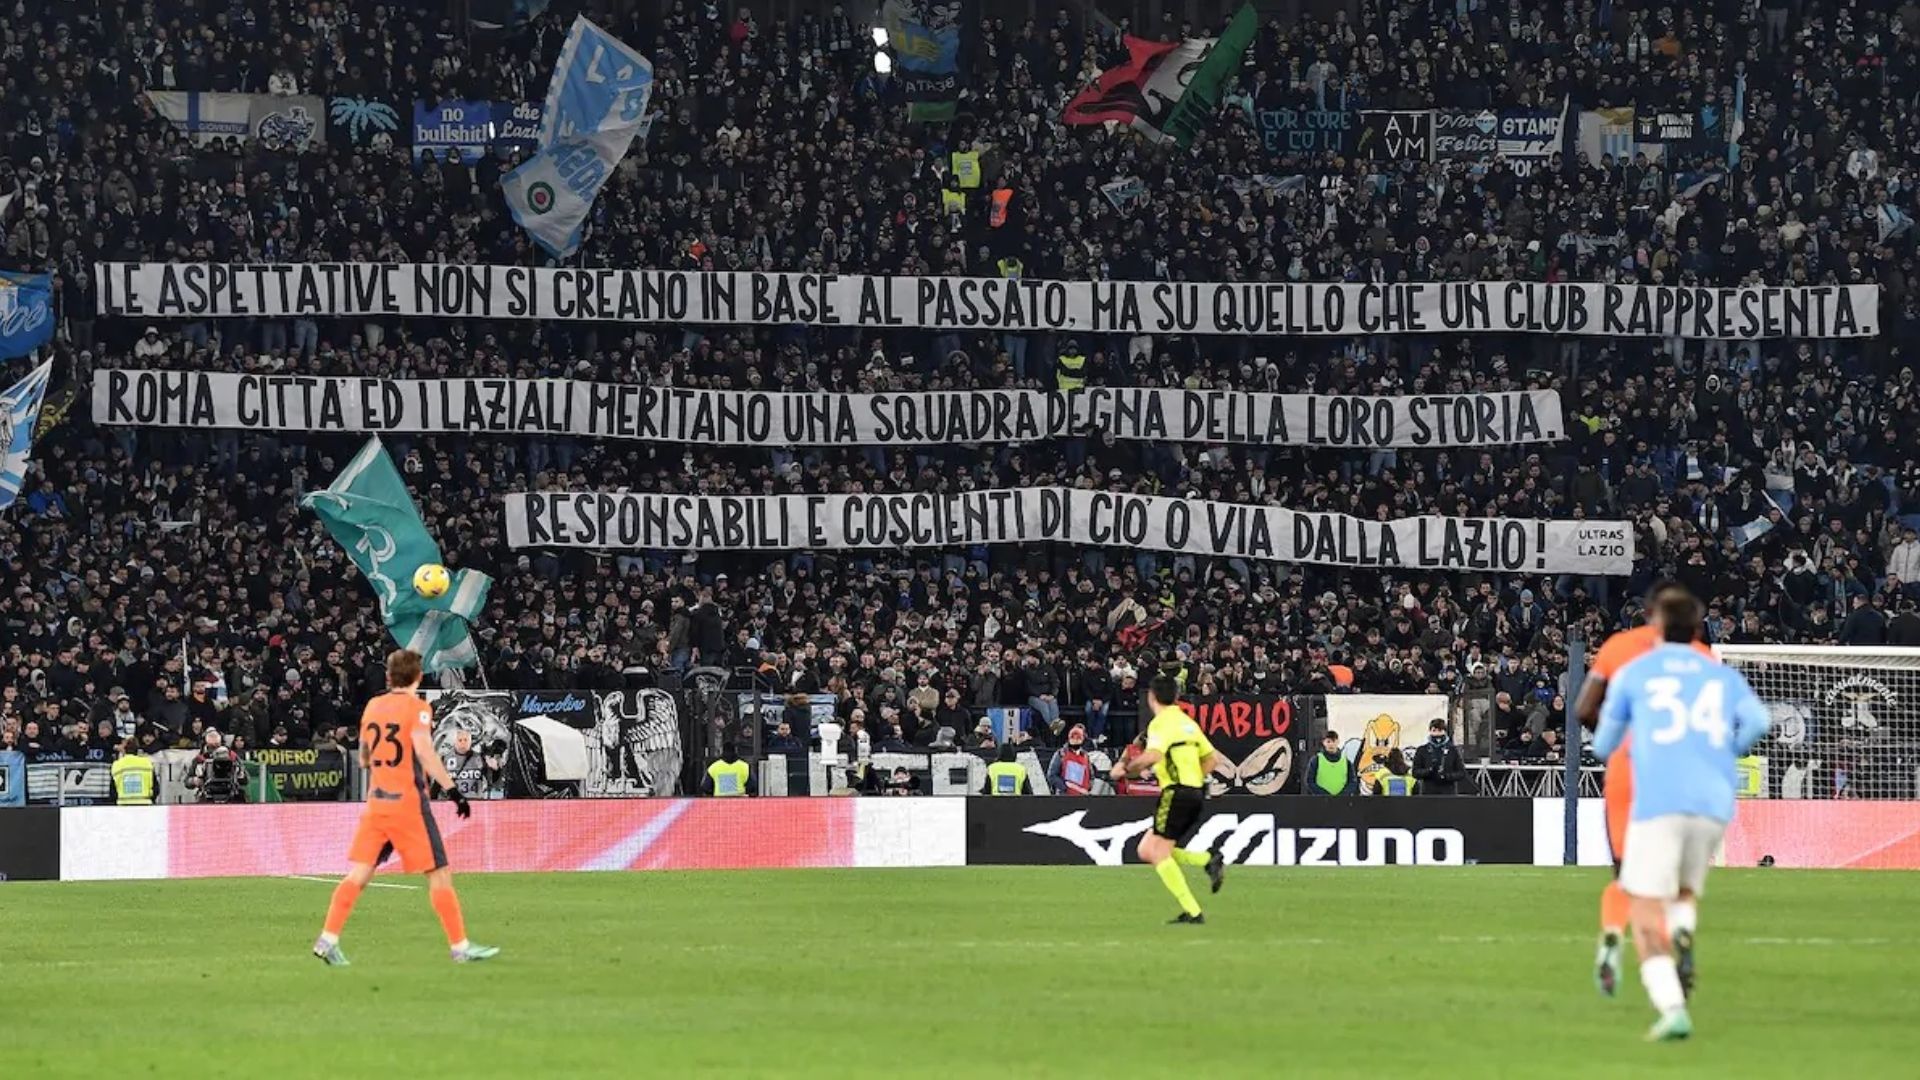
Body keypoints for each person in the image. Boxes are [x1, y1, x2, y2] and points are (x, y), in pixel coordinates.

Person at [1593, 590, 1770, 1042]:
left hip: (1656, 799)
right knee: (1684, 889)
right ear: (1696, 628)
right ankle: (1685, 930)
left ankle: (1672, 1008)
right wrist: (1725, 751)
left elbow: (1602, 743)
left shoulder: (1635, 669)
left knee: (1642, 903)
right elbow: (1759, 722)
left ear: (1654, 624)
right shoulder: (1717, 670)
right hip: (1713, 801)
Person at [1573, 581, 1715, 999]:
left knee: (1626, 875)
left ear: (1651, 612)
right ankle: (1679, 934)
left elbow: (1584, 709)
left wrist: (1618, 740)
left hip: (1628, 769)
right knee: (1672, 881)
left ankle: (1612, 935)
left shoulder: (1619, 648)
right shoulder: (1702, 656)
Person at [312, 649, 497, 967]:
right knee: (439, 872)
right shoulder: (418, 708)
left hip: (377, 803)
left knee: (360, 872)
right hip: (408, 804)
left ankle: (328, 939)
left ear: (388, 676)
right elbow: (424, 751)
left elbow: (364, 758)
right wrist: (454, 792)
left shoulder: (373, 706)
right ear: (418, 677)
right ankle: (460, 946)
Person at [1107, 676, 1224, 924]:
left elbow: (1153, 755)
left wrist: (1124, 770)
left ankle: (1193, 911)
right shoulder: (1187, 722)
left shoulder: (1160, 723)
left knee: (1158, 852)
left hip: (1176, 793)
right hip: (1194, 793)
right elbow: (1213, 759)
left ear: (1152, 697)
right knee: (1146, 850)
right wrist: (1193, 780)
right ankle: (1207, 860)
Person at [1410, 718, 1465, 795]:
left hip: (1448, 793)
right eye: (1434, 730)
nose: (1437, 734)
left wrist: (1446, 776)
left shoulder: (1453, 750)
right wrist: (1429, 771)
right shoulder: (1422, 750)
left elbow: (1461, 773)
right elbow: (1415, 772)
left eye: (1440, 730)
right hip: (1428, 793)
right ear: (1430, 731)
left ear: (1445, 731)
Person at [1045, 723, 1095, 795]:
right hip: (1064, 796)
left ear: (1082, 740)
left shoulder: (1086, 756)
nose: (1075, 740)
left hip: (1082, 796)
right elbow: (1051, 775)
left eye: (1078, 738)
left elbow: (1091, 776)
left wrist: (1088, 787)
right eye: (1073, 738)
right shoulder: (1061, 754)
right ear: (1069, 739)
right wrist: (1065, 787)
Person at [110, 736, 155, 805]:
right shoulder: (147, 763)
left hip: (123, 805)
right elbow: (155, 788)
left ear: (124, 749)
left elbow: (113, 791)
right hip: (144, 805)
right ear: (138, 749)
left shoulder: (117, 765)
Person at [1307, 730, 1355, 795]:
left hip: (1341, 800)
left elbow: (1352, 782)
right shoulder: (1316, 760)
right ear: (1323, 742)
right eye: (1328, 741)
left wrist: (1342, 795)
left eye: (1333, 741)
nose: (1331, 744)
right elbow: (1309, 781)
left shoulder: (1346, 761)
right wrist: (1324, 795)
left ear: (1338, 742)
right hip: (1321, 799)